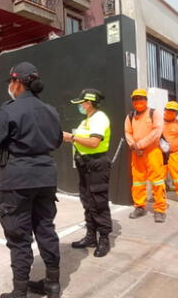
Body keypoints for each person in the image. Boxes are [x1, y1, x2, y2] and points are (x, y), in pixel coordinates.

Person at [0, 62, 63, 298]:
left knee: (19, 236)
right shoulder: (51, 110)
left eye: (11, 82)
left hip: (17, 179)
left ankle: (19, 292)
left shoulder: (9, 110)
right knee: (46, 228)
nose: (9, 86)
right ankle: (52, 283)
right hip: (46, 176)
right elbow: (57, 141)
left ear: (17, 83)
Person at [65, 88, 114, 254]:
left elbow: (93, 142)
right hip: (85, 165)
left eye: (82, 103)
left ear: (89, 103)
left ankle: (104, 239)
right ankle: (91, 236)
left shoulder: (99, 118)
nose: (80, 106)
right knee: (87, 201)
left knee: (98, 202)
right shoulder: (87, 119)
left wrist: (71, 137)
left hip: (96, 165)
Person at [126, 89, 166, 223]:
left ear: (146, 100)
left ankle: (160, 209)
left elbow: (157, 132)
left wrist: (140, 145)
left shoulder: (154, 113)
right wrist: (133, 146)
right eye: (135, 99)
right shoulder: (130, 116)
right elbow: (127, 133)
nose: (138, 101)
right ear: (132, 101)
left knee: (157, 181)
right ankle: (139, 206)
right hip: (136, 153)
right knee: (138, 181)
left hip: (153, 152)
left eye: (141, 98)